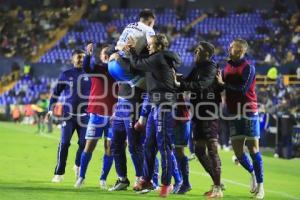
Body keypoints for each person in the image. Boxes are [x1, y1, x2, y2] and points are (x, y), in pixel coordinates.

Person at [127, 34, 181, 197]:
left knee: (163, 145)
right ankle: (147, 179)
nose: (148, 47)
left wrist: (131, 50)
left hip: (164, 105)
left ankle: (166, 184)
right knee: (149, 145)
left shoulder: (158, 58)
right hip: (155, 105)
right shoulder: (158, 58)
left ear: (158, 46)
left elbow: (137, 63)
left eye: (150, 44)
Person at [107, 9, 155, 191]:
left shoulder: (145, 51)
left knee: (134, 143)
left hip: (135, 96)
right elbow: (118, 46)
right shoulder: (144, 32)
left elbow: (152, 55)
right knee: (116, 142)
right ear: (151, 22)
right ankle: (122, 178)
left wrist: (118, 52)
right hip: (123, 98)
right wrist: (117, 51)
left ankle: (144, 179)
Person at [216, 38, 265, 199]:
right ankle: (252, 173)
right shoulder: (227, 67)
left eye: (236, 48)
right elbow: (218, 84)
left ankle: (261, 186)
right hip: (233, 112)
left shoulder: (248, 68)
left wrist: (222, 84)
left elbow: (242, 90)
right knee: (238, 152)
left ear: (243, 51)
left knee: (253, 149)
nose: (232, 50)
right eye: (231, 47)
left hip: (249, 110)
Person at [174, 41, 223, 198]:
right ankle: (217, 183)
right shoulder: (197, 68)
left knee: (212, 150)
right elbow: (185, 82)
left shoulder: (210, 67)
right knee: (199, 151)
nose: (195, 51)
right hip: (197, 113)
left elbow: (201, 85)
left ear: (206, 54)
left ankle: (217, 188)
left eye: (198, 50)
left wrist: (181, 83)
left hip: (209, 112)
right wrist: (175, 78)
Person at [74, 43, 116, 189]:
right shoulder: (98, 68)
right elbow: (86, 68)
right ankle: (81, 177)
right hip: (97, 113)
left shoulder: (118, 70)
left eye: (105, 53)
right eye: (103, 53)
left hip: (113, 116)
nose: (103, 55)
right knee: (89, 146)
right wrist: (88, 54)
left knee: (109, 148)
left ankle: (103, 179)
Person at [47, 49, 91, 183]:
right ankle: (59, 173)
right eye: (78, 58)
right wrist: (50, 109)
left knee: (84, 144)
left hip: (85, 115)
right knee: (64, 143)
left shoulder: (91, 74)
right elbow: (56, 93)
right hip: (68, 115)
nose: (81, 60)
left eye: (83, 58)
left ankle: (77, 165)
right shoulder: (66, 74)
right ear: (72, 59)